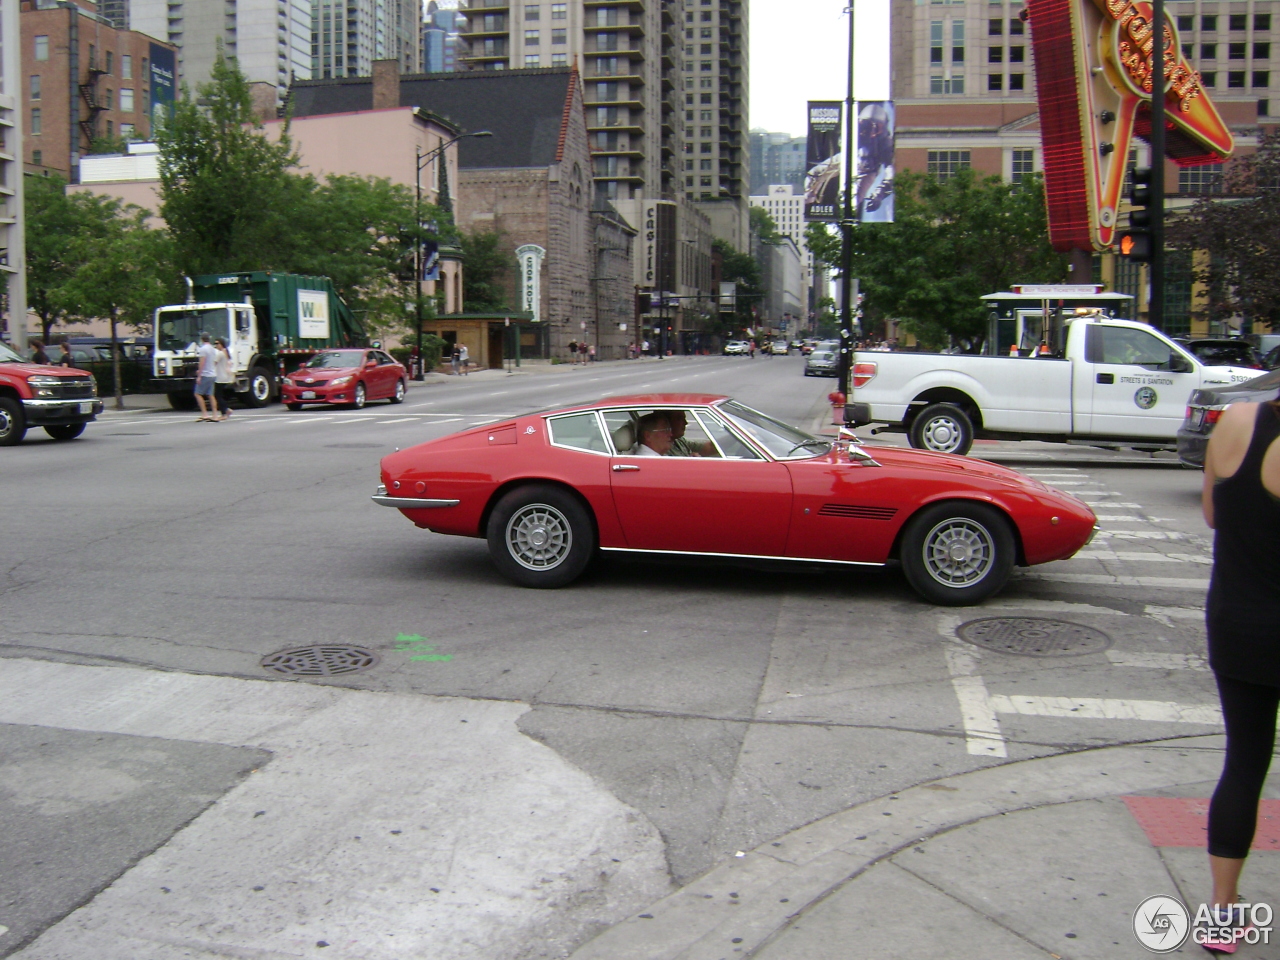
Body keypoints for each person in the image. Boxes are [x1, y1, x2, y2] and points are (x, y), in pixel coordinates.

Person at [1199, 395, 1280, 950]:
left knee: (1244, 765)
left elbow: (1212, 514)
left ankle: (1222, 915)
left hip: (1237, 625)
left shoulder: (1235, 421)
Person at [193, 333, 218, 421]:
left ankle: (205, 413)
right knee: (211, 395)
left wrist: (199, 375)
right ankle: (215, 414)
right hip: (213, 374)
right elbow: (215, 361)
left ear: (202, 339)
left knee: (197, 394)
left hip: (205, 374)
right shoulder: (213, 349)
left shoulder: (203, 349)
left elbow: (202, 363)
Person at [212, 338, 235, 421]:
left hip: (219, 377)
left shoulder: (220, 354)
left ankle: (225, 411)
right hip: (225, 376)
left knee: (218, 396)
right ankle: (226, 410)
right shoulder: (226, 352)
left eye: (217, 343)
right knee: (220, 395)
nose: (216, 345)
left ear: (221, 344)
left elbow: (214, 363)